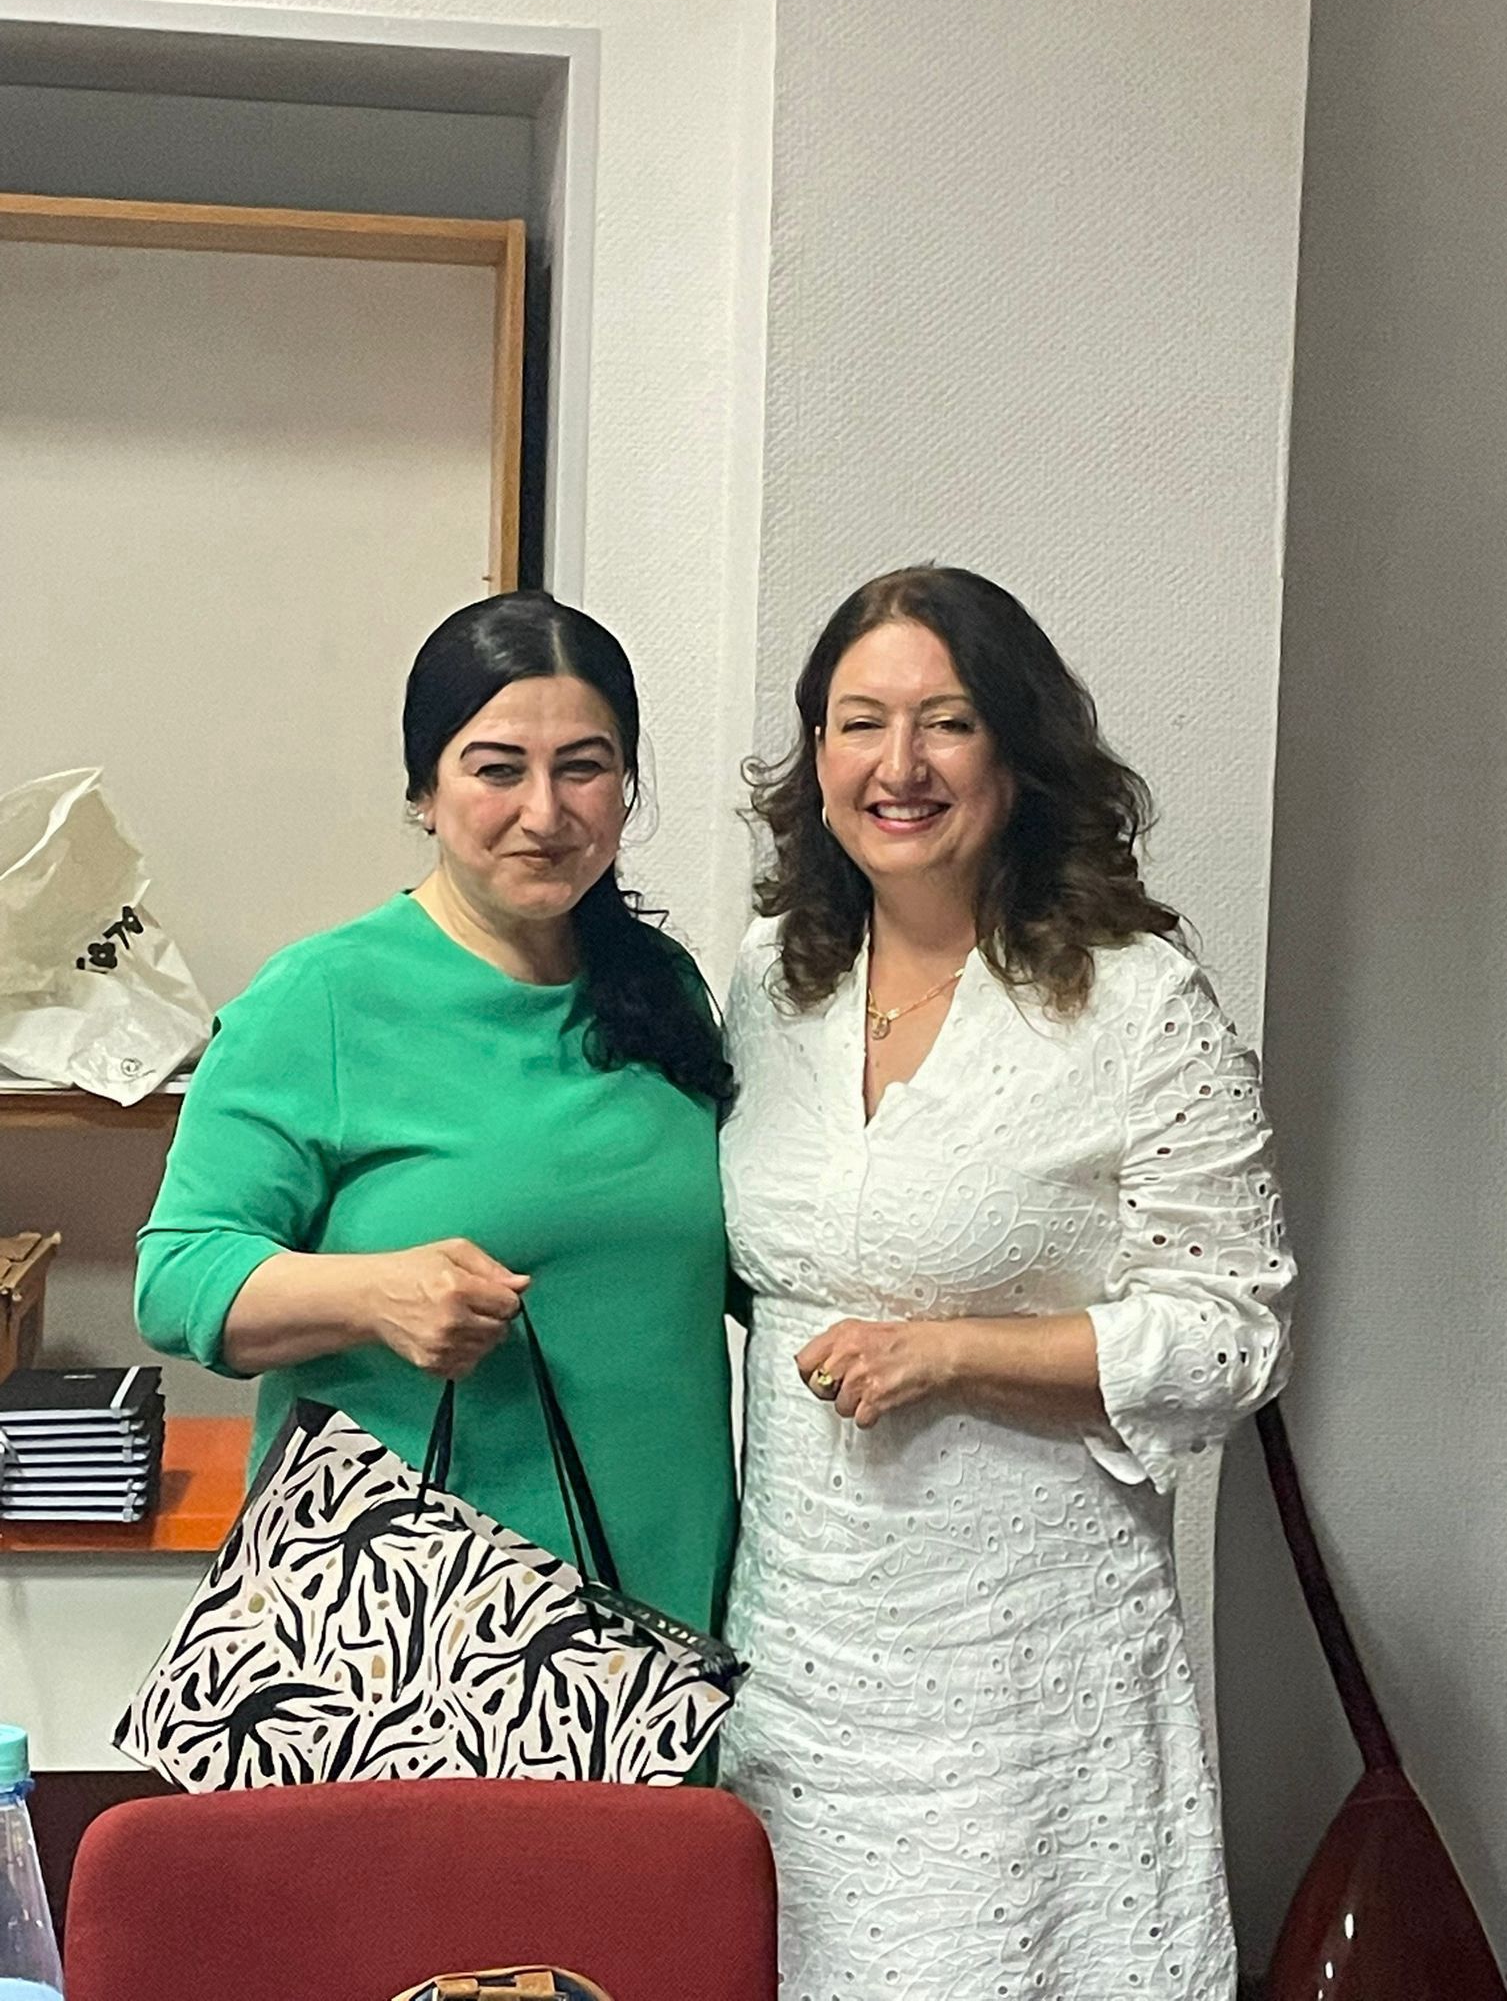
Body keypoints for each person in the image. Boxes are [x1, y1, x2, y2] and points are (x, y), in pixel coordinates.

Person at [718, 566, 1295, 2000]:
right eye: (860, 723)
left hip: (1029, 1659)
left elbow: (1234, 1332)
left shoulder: (1136, 999)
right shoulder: (772, 982)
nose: (898, 764)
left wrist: (956, 1350)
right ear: (817, 760)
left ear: (1020, 754)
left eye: (949, 721)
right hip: (800, 1641)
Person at [136, 591, 737, 1644]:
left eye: (584, 767)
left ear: (627, 784)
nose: (544, 812)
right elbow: (177, 1275)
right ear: (424, 789)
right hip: (410, 1641)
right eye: (497, 769)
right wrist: (373, 1294)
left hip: (664, 1615)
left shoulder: (662, 985)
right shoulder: (324, 997)